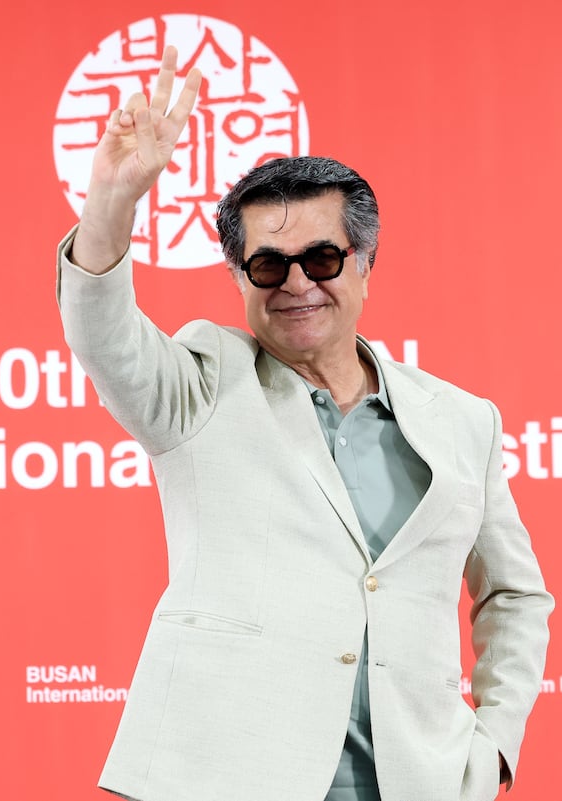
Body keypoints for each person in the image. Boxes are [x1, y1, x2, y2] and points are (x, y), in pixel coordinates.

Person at [57, 46, 553, 801]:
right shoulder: (203, 380)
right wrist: (110, 201)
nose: (297, 284)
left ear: (365, 263)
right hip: (224, 778)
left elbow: (515, 595)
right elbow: (103, 337)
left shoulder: (462, 419)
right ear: (238, 276)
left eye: (322, 258)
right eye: (268, 265)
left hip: (414, 781)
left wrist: (494, 748)